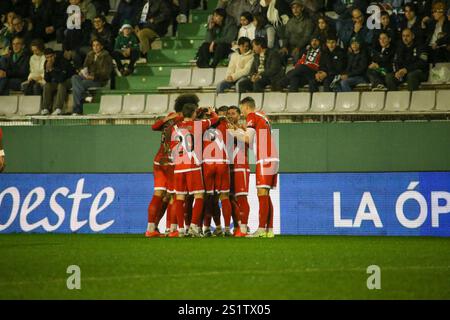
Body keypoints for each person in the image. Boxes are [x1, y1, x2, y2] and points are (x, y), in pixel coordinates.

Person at [230, 96, 279, 238]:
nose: (243, 114)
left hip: (265, 157)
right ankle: (269, 229)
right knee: (266, 194)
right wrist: (241, 131)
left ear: (246, 107)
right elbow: (253, 141)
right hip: (272, 156)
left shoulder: (252, 115)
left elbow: (247, 139)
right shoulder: (262, 116)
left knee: (262, 193)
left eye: (242, 110)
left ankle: (261, 229)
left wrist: (232, 133)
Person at [145, 94, 193, 238]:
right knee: (175, 195)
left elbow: (154, 127)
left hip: (159, 160)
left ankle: (150, 228)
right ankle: (173, 229)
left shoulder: (170, 117)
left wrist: (166, 119)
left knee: (158, 194)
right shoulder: (183, 120)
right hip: (172, 162)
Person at [169, 104, 219, 237]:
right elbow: (215, 120)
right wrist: (212, 112)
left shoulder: (175, 127)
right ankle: (193, 227)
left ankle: (180, 229)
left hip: (178, 166)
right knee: (199, 195)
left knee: (179, 197)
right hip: (192, 165)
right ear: (193, 113)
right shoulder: (199, 124)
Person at [71, 38, 113, 115]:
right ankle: (85, 95)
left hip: (98, 80)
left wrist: (93, 77)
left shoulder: (106, 57)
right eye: (93, 45)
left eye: (97, 45)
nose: (95, 47)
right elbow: (85, 67)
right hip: (87, 77)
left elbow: (106, 74)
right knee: (75, 77)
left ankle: (77, 109)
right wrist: (82, 72)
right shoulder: (90, 55)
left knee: (79, 85)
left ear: (101, 46)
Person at [226, 105, 249, 237]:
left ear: (239, 115)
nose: (230, 115)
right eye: (229, 113)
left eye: (233, 113)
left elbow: (250, 142)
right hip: (229, 167)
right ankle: (237, 226)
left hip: (240, 166)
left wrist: (234, 132)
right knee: (231, 198)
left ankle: (244, 228)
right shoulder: (224, 129)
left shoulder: (245, 130)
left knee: (241, 197)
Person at [41, 48, 75, 115]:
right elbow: (47, 79)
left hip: (70, 80)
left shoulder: (63, 61)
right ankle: (45, 108)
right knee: (47, 85)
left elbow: (61, 78)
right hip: (57, 81)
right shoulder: (46, 63)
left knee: (61, 85)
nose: (49, 59)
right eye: (47, 57)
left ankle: (58, 108)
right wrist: (47, 71)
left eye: (51, 56)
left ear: (54, 55)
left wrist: (51, 70)